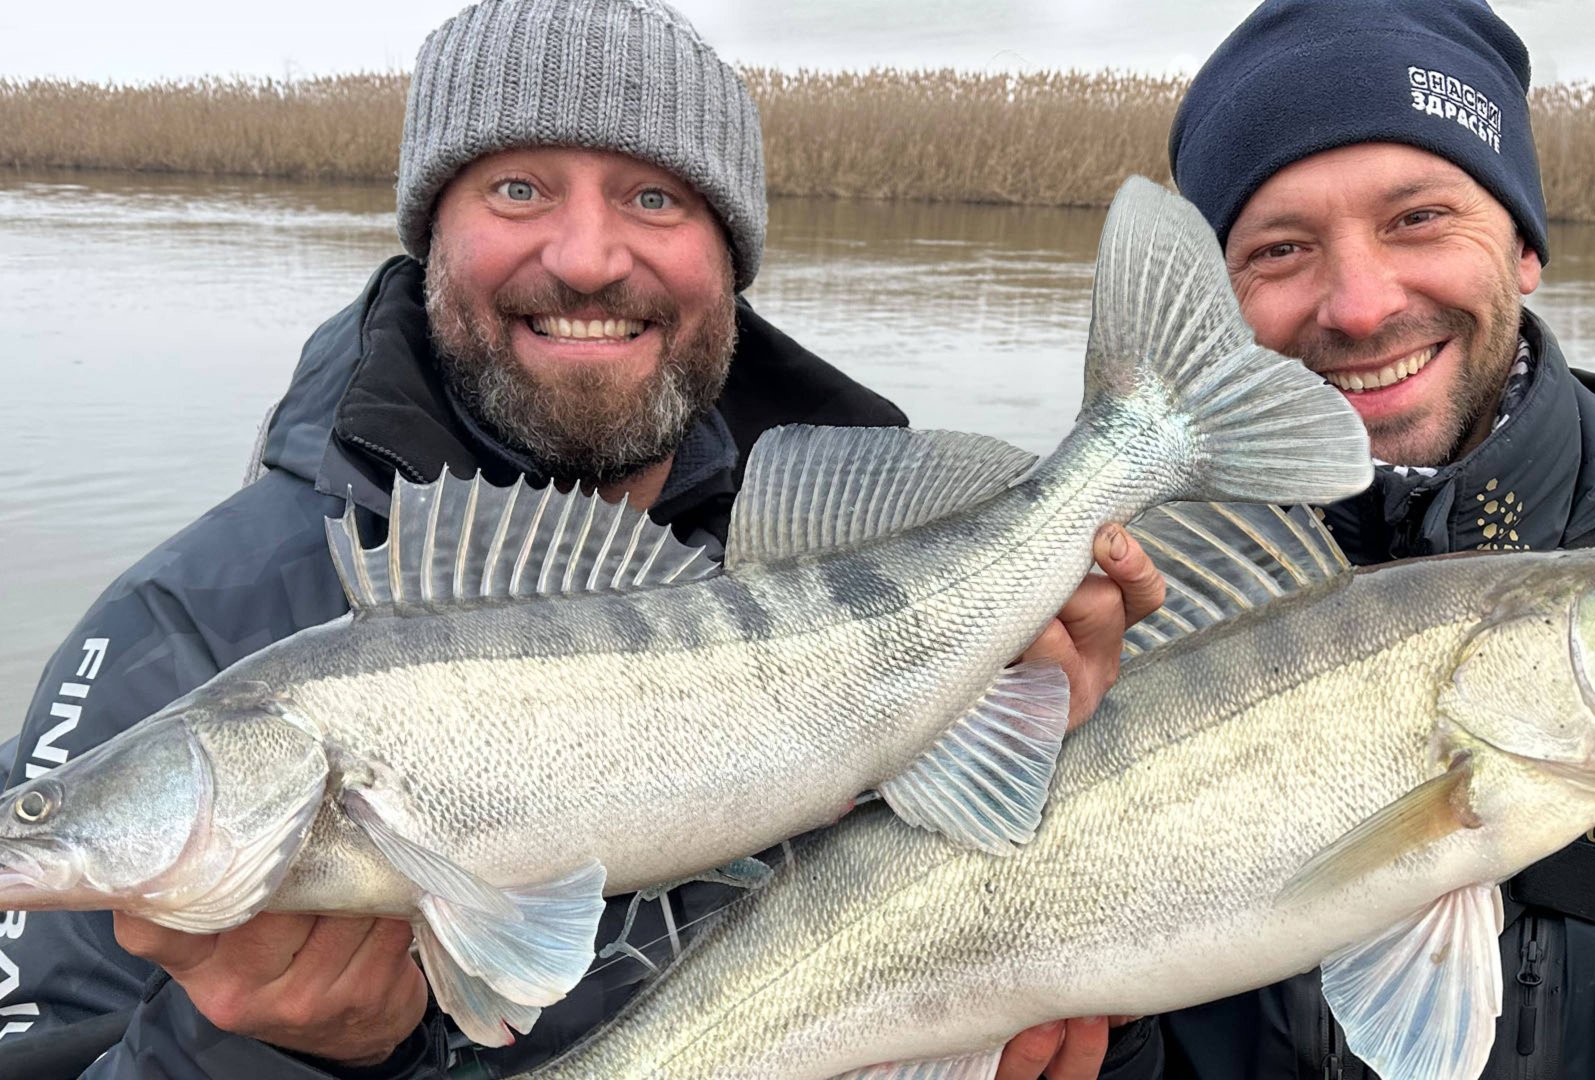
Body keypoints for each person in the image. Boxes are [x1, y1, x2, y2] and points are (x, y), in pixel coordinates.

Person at [0, 2, 1162, 1077]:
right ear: (430, 236)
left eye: (657, 198)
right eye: (517, 188)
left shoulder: (905, 539)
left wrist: (1062, 756)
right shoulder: (187, 630)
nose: (588, 256)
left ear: (732, 256)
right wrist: (277, 1055)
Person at [1088, 1, 1595, 1077]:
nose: (1359, 302)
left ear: (1523, 248)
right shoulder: (1115, 610)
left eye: (1418, 218)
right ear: (1227, 301)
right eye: (1281, 248)